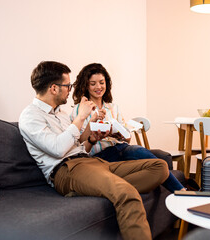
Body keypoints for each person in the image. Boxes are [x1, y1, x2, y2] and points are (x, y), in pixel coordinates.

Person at [19, 61, 171, 240]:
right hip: (67, 171)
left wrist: (91, 138)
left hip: (91, 162)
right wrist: (81, 117)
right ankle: (110, 189)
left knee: (159, 167)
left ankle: (98, 188)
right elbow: (58, 150)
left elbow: (76, 146)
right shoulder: (30, 116)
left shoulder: (59, 113)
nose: (70, 89)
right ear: (54, 88)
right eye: (68, 85)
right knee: (126, 193)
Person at [71, 63, 185, 192]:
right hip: (99, 156)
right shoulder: (79, 110)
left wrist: (119, 134)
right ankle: (182, 191)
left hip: (120, 148)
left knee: (142, 153)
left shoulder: (113, 108)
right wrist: (93, 126)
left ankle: (181, 192)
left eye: (102, 82)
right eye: (93, 84)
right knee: (140, 154)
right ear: (86, 85)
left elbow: (127, 138)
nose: (98, 87)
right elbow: (79, 142)